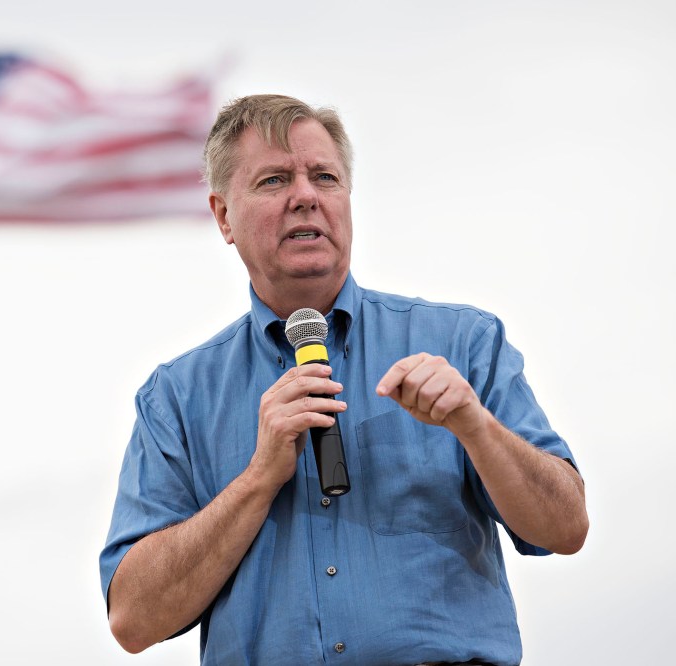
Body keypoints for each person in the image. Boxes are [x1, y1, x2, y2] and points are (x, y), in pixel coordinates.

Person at [99, 94, 588, 666]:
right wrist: (258, 479)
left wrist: (475, 427)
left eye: (324, 177)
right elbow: (133, 620)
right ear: (224, 216)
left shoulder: (463, 344)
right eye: (274, 180)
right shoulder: (176, 398)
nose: (305, 196)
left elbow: (566, 527)